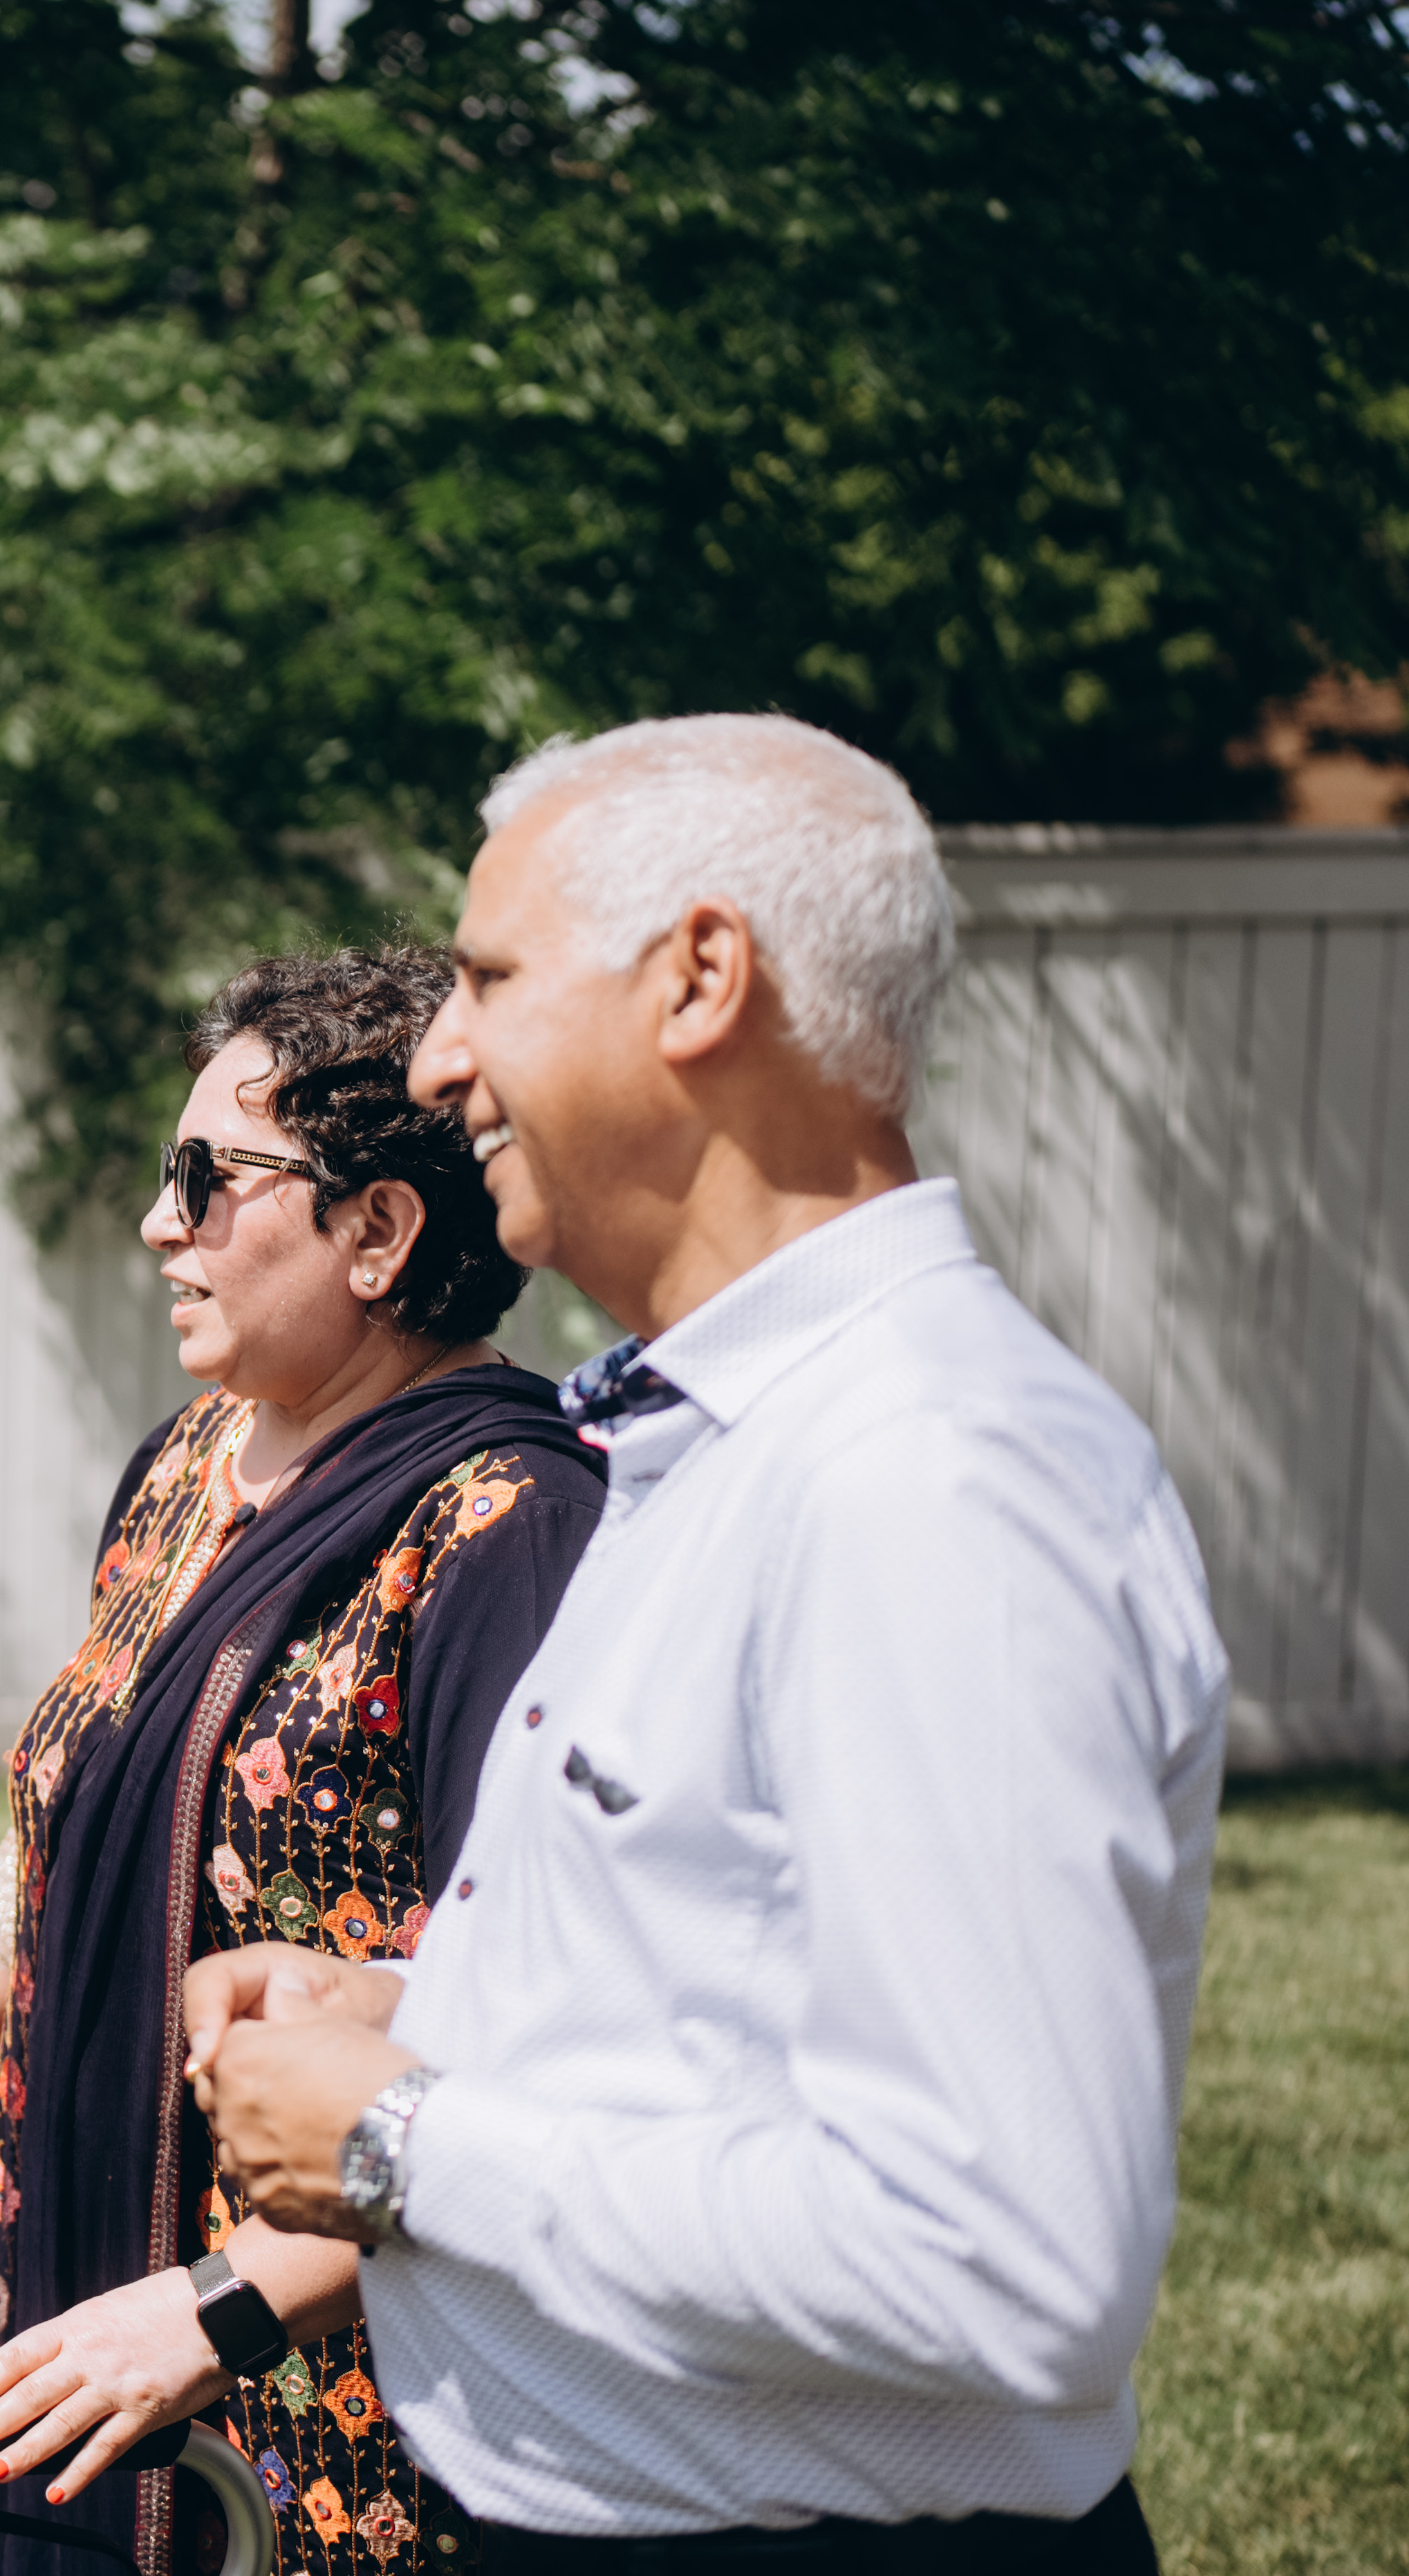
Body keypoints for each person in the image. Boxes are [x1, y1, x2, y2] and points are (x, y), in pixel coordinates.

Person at [182, 715, 1226, 2571]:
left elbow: (1003, 2254)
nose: (436, 1060)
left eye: (490, 979)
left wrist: (403, 2134)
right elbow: (750, 2003)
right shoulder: (733, 1440)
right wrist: (436, 2015)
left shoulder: (926, 1480)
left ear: (699, 979)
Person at [0, 948, 602, 2574]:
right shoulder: (186, 1467)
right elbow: (71, 1845)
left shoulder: (509, 1529)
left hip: (314, 2367)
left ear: (376, 1231)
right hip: (85, 2290)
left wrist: (218, 2310)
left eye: (208, 1178)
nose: (159, 1223)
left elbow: (540, 2018)